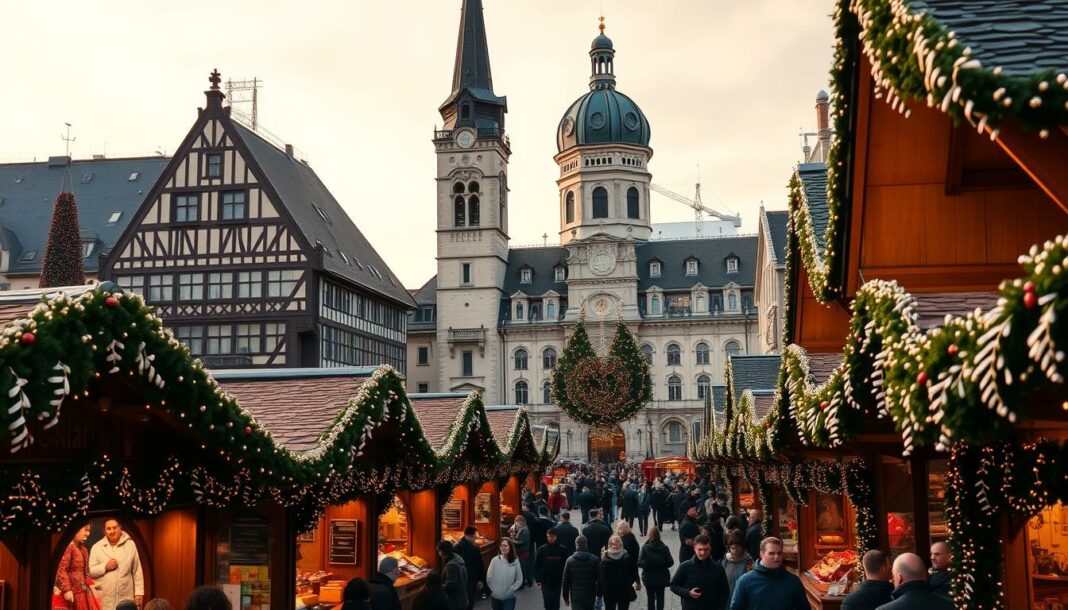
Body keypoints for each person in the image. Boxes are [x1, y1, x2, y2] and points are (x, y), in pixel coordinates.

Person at [727, 537, 807, 610]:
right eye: (771, 553)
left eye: (779, 553)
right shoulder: (745, 581)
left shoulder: (793, 581)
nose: (776, 557)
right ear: (761, 554)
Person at [89, 519, 145, 610]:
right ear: (104, 531)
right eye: (108, 529)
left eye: (114, 528)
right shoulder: (97, 547)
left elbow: (137, 570)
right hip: (104, 599)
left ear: (120, 527)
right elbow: (90, 572)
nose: (112, 531)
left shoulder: (130, 544)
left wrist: (139, 593)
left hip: (125, 597)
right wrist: (105, 567)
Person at [670, 535, 730, 610]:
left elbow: (725, 592)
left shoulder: (718, 568)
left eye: (706, 549)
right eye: (700, 549)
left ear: (710, 548)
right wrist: (688, 593)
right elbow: (673, 585)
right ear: (694, 549)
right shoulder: (685, 567)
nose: (703, 553)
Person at [876, 552, 954, 610]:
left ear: (900, 578)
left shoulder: (885, 609)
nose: (891, 580)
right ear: (925, 575)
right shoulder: (951, 606)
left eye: (893, 576)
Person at [56, 522, 98, 610]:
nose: (88, 534)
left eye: (89, 531)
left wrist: (91, 584)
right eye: (86, 530)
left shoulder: (83, 549)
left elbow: (85, 572)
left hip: (83, 593)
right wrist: (67, 590)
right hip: (71, 594)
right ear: (75, 530)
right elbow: (61, 570)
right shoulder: (68, 547)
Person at [638, 527, 674, 610]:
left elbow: (639, 563)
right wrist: (662, 564)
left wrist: (648, 563)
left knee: (650, 598)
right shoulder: (664, 547)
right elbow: (671, 562)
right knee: (660, 597)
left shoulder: (645, 547)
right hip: (661, 577)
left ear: (650, 535)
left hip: (649, 577)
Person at [562, 536, 601, 610]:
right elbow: (600, 579)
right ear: (586, 544)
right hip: (590, 594)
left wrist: (565, 597)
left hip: (575, 595)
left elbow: (565, 581)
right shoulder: (595, 559)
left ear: (576, 545)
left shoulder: (570, 560)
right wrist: (599, 594)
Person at [600, 535, 638, 610]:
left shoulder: (605, 560)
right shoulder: (626, 557)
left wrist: (600, 590)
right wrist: (629, 582)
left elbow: (601, 577)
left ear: (609, 545)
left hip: (609, 591)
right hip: (624, 590)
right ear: (621, 544)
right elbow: (634, 572)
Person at [535, 527, 569, 610]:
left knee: (556, 601)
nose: (550, 538)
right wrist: (538, 579)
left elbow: (566, 566)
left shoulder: (563, 550)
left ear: (556, 537)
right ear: (547, 536)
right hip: (545, 580)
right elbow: (537, 565)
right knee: (547, 601)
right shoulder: (542, 550)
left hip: (558, 580)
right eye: (549, 536)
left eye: (552, 536)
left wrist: (566, 579)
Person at [487, 538, 524, 610]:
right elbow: (489, 576)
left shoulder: (515, 561)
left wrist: (511, 589)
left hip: (509, 597)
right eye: (501, 546)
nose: (503, 547)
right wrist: (492, 589)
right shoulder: (495, 560)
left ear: (510, 547)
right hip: (496, 597)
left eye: (505, 545)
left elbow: (519, 579)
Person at [454, 527, 487, 608]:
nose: (475, 540)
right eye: (475, 537)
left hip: (459, 579)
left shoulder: (456, 547)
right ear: (470, 536)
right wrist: (481, 579)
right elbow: (479, 566)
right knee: (470, 601)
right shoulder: (475, 549)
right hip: (471, 579)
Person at [438, 541, 469, 610]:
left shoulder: (451, 566)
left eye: (439, 551)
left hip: (455, 602)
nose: (438, 553)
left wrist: (438, 587)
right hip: (462, 598)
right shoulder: (457, 559)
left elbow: (451, 584)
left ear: (442, 552)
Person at [720, 530, 752, 596]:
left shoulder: (748, 561)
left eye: (738, 548)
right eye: (732, 548)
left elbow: (750, 582)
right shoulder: (726, 560)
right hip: (727, 598)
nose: (735, 551)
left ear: (742, 547)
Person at [511, 515, 533, 587]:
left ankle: (522, 583)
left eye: (517, 521)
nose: (516, 523)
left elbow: (523, 541)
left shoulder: (525, 530)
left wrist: (513, 541)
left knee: (522, 568)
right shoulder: (522, 529)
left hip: (523, 552)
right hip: (521, 551)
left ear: (521, 521)